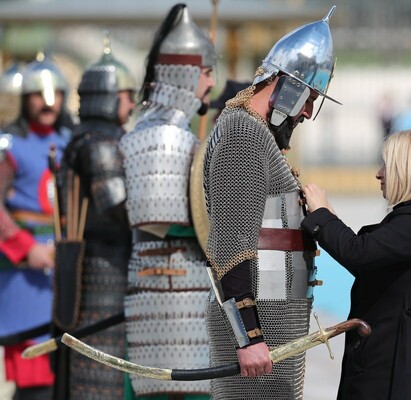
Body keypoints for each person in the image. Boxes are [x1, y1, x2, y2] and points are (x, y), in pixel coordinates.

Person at [199, 6, 339, 399]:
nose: (309, 112)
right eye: (309, 98)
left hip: (277, 323)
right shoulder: (243, 135)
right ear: (289, 85)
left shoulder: (256, 134)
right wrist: (249, 337)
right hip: (259, 332)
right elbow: (230, 247)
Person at [301, 128, 411, 400]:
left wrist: (322, 215)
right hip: (397, 363)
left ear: (410, 169)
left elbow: (359, 254)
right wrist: (330, 221)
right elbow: (373, 263)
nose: (379, 173)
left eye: (388, 165)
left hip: (400, 370)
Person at [119, 3, 216, 399]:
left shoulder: (175, 131)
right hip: (170, 299)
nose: (211, 83)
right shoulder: (163, 137)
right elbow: (156, 220)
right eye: (207, 72)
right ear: (184, 72)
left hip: (183, 292)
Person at [51, 37, 137, 400]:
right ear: (109, 96)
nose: (133, 104)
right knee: (100, 374)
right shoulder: (97, 144)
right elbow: (119, 207)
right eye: (127, 95)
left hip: (96, 263)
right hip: (104, 267)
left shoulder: (83, 138)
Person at [0, 53, 73, 400]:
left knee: (68, 381)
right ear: (24, 99)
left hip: (67, 273)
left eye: (55, 94)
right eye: (38, 95)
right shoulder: (8, 146)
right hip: (25, 276)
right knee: (36, 387)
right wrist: (26, 247)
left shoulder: (72, 141)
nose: (47, 103)